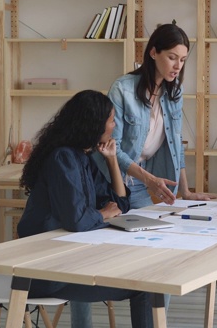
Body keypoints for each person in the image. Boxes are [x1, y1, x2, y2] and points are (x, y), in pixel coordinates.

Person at [17, 90, 153, 328]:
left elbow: (120, 205)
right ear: (94, 124)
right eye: (112, 120)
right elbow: (77, 221)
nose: (114, 125)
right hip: (48, 273)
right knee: (146, 287)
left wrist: (112, 160)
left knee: (144, 279)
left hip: (69, 262)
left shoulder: (80, 156)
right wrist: (102, 213)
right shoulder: (63, 158)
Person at [105, 23, 215, 207]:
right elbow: (113, 147)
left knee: (153, 228)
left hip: (139, 180)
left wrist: (186, 192)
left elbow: (176, 143)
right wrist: (150, 180)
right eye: (172, 57)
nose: (178, 66)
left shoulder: (175, 92)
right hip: (111, 179)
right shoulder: (122, 89)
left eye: (182, 60)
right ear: (154, 53)